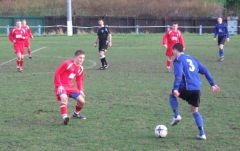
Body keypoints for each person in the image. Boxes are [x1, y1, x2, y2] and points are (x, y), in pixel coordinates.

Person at [169, 43, 220, 140]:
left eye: (173, 50)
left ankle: (176, 115)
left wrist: (175, 88)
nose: (172, 52)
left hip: (186, 87)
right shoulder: (192, 58)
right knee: (195, 110)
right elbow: (205, 70)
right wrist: (213, 84)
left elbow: (178, 75)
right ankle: (202, 133)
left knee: (171, 95)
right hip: (197, 89)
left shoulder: (178, 60)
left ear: (175, 50)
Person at [54, 50, 87, 125]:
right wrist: (59, 85)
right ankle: (65, 117)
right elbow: (57, 73)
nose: (82, 60)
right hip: (61, 86)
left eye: (83, 58)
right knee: (64, 98)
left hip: (70, 87)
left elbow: (79, 79)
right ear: (76, 57)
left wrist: (80, 89)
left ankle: (76, 114)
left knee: (82, 101)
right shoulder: (67, 64)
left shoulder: (81, 68)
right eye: (80, 58)